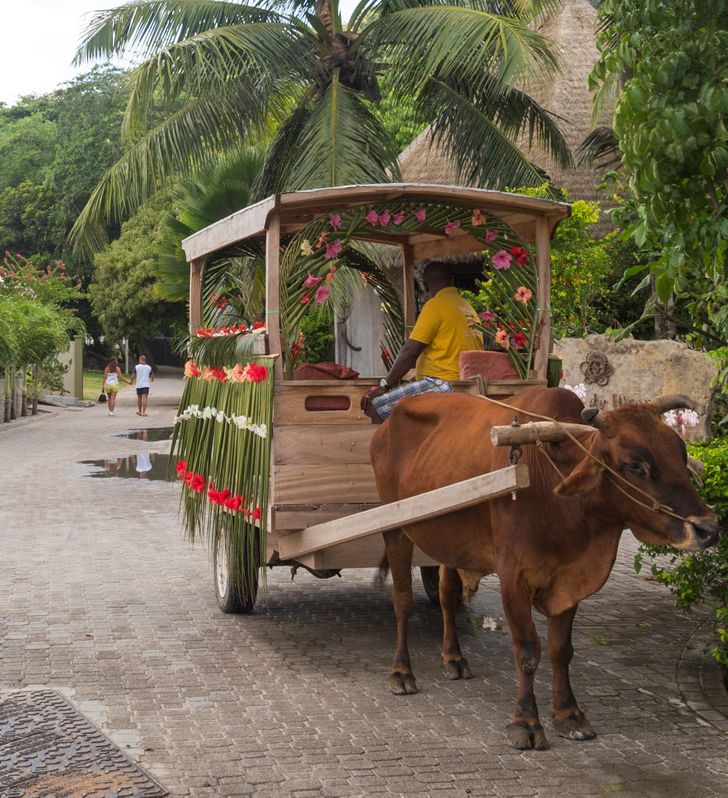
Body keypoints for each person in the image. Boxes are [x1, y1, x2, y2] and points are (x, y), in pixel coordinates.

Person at [361, 261, 483, 423]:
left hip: (442, 383)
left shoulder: (435, 306)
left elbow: (410, 351)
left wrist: (385, 385)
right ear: (452, 281)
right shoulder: (467, 306)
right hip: (465, 383)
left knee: (376, 405)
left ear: (425, 286)